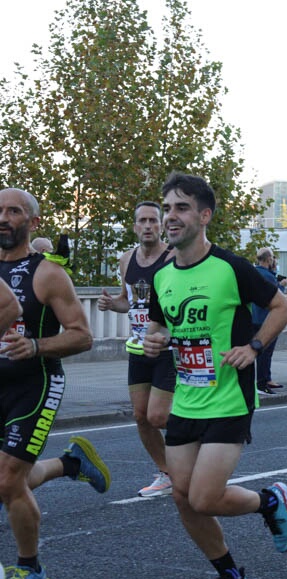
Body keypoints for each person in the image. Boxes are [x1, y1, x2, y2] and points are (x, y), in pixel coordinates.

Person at [142, 173, 287, 579]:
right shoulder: (163, 277)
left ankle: (270, 501)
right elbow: (158, 327)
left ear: (204, 216)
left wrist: (253, 346)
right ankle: (230, 576)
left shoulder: (231, 267)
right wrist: (155, 340)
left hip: (229, 398)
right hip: (186, 398)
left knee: (205, 497)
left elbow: (282, 307)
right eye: (167, 208)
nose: (171, 216)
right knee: (181, 495)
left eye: (181, 208)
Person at [0, 188, 109, 579]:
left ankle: (31, 569)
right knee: (10, 480)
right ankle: (71, 463)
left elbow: (82, 336)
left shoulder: (45, 273)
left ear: (33, 222)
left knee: (8, 480)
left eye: (14, 211)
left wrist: (36, 346)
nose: (4, 217)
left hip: (35, 384)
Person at [97, 201, 176, 497]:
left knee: (159, 417)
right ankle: (167, 473)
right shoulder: (126, 260)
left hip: (168, 349)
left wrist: (168, 332)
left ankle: (199, 441)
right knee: (141, 417)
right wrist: (110, 304)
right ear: (134, 226)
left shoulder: (172, 258)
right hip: (139, 349)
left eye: (153, 221)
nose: (147, 226)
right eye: (142, 221)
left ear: (162, 225)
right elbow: (128, 301)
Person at [252, 247, 285, 395]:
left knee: (262, 352)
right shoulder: (268, 276)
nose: (274, 260)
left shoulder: (254, 273)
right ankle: (262, 383)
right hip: (267, 319)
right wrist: (282, 287)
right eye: (272, 258)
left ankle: (267, 378)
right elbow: (277, 299)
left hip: (254, 318)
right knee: (265, 352)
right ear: (268, 259)